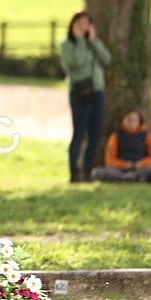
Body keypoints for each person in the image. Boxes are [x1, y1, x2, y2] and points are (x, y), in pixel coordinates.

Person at [60, 10, 111, 182]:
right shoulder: (67, 45)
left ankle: (88, 173)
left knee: (94, 134)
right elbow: (77, 62)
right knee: (79, 133)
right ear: (73, 25)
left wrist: (93, 41)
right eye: (80, 23)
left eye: (87, 23)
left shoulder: (93, 44)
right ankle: (74, 174)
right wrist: (80, 40)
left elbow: (107, 59)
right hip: (80, 93)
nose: (84, 26)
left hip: (97, 92)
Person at [92, 109, 151, 183]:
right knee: (97, 171)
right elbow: (109, 160)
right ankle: (130, 178)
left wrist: (142, 163)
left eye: (134, 121)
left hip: (141, 169)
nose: (131, 124)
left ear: (139, 122)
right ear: (122, 121)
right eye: (128, 120)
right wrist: (124, 164)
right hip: (120, 170)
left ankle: (133, 177)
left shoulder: (146, 136)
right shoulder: (116, 136)